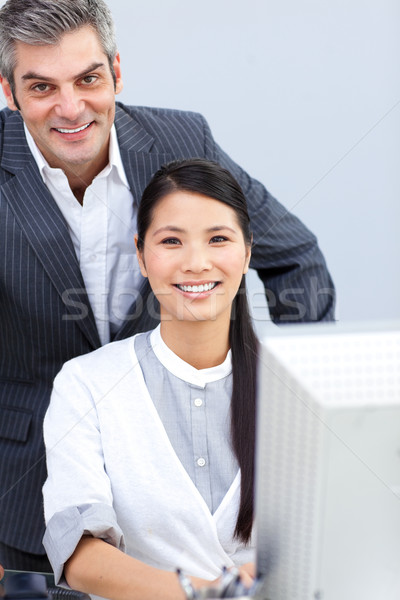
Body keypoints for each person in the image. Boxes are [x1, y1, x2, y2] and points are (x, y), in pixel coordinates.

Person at [0, 0, 335, 572]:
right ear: (9, 92)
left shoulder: (181, 138)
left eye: (88, 78)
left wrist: (286, 410)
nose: (71, 107)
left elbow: (294, 257)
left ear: (117, 71)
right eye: (41, 87)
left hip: (173, 483)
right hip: (24, 488)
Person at [42, 159, 258, 600]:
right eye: (171, 241)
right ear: (141, 255)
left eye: (218, 239)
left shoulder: (302, 383)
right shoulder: (85, 383)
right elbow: (79, 552)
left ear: (247, 252)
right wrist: (210, 593)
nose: (196, 263)